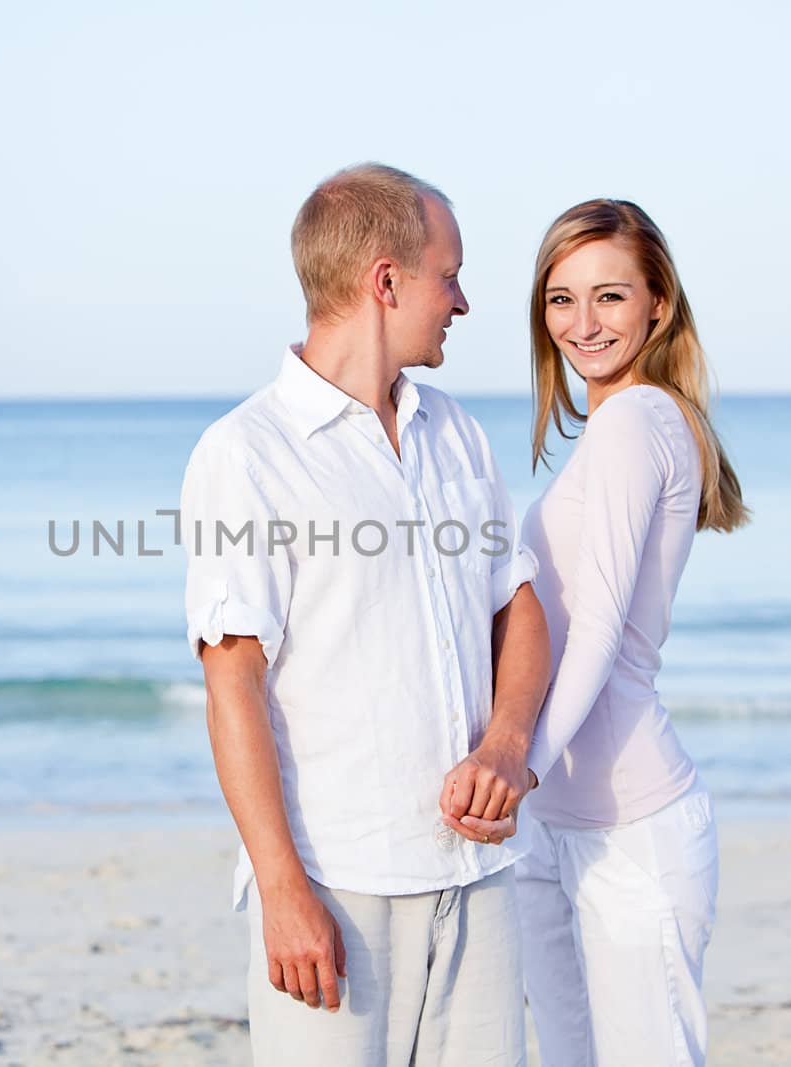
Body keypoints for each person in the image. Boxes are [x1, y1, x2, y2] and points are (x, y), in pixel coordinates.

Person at [179, 163, 551, 1065]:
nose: (461, 302)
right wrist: (281, 888)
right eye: (448, 275)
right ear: (387, 281)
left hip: (480, 879)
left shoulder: (455, 432)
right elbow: (231, 682)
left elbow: (521, 605)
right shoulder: (247, 454)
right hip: (339, 889)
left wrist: (506, 744)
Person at [511, 199, 749, 1066]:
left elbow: (600, 630)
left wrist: (518, 767)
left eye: (610, 296)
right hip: (558, 824)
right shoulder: (630, 425)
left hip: (627, 833)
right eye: (560, 298)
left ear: (658, 302)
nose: (583, 323)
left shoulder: (634, 421)